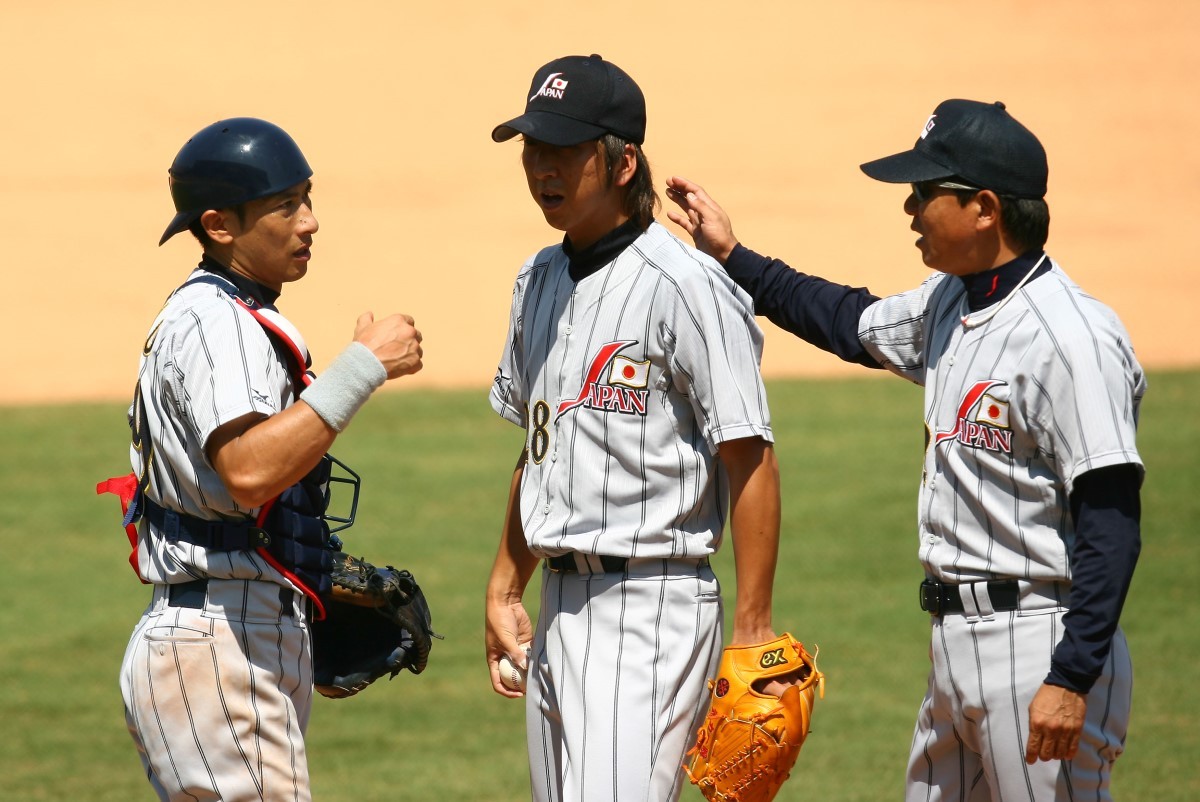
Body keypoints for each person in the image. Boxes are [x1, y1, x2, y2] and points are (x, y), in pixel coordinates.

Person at [666, 98, 1143, 801]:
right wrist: (735, 257)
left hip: (1042, 642)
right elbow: (845, 319)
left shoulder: (1072, 339)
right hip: (954, 646)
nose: (910, 208)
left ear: (985, 207)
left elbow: (1111, 521)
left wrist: (1071, 678)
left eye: (925, 193)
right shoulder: (950, 303)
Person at [482, 54, 785, 801]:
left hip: (651, 612)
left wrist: (753, 632)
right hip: (558, 611)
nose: (541, 168)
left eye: (562, 150)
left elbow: (748, 456)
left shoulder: (687, 286)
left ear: (621, 163)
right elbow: (540, 445)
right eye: (532, 148)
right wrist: (504, 586)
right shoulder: (537, 281)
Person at [112, 117, 423, 801]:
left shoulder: (228, 315)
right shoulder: (214, 322)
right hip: (216, 639)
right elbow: (249, 470)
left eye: (308, 198)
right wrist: (362, 369)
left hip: (226, 633)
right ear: (220, 225)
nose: (310, 222)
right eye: (286, 205)